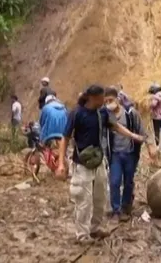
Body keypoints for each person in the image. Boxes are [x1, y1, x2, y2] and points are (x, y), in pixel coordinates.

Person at [56, 85, 146, 243]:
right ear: (92, 98)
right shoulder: (77, 113)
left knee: (100, 197)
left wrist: (133, 136)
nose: (104, 101)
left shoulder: (102, 113)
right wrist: (61, 163)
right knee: (83, 200)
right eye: (101, 98)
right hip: (82, 164)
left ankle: (95, 227)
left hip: (99, 162)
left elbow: (116, 126)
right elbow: (65, 137)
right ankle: (82, 235)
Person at [106, 87, 145, 221]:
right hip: (115, 154)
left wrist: (149, 144)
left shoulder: (130, 113)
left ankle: (126, 205)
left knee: (128, 181)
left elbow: (142, 130)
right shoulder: (107, 116)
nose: (109, 104)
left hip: (130, 153)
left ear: (117, 99)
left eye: (111, 100)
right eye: (106, 101)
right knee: (115, 181)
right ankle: (116, 210)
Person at [149, 83, 161, 148]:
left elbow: (153, 104)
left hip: (157, 116)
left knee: (157, 131)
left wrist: (150, 104)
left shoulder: (156, 96)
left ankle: (157, 145)